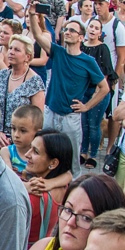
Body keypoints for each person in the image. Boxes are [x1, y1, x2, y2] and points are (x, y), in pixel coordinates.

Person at [29, 12, 109, 157]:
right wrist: (32, 15)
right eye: (66, 30)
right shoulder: (58, 52)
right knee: (46, 153)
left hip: (70, 117)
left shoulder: (88, 61)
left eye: (72, 30)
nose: (67, 32)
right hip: (50, 112)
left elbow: (105, 88)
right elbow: (38, 36)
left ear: (80, 37)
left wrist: (86, 106)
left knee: (71, 157)